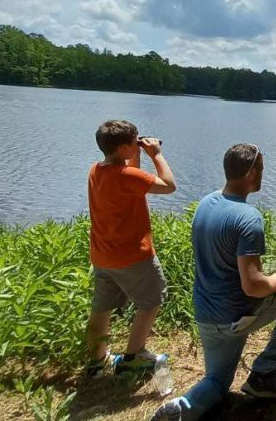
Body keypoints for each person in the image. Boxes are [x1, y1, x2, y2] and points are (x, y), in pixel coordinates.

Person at [151, 143, 276, 421]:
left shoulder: (206, 202)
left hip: (205, 315)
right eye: (260, 168)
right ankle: (264, 371)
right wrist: (273, 282)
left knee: (218, 382)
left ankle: (181, 408)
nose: (263, 173)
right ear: (250, 173)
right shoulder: (249, 219)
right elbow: (253, 286)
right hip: (234, 318)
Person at [84, 120, 177, 378]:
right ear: (124, 147)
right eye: (134, 141)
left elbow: (131, 180)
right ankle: (134, 357)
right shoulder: (127, 176)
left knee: (102, 307)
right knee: (152, 300)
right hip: (133, 257)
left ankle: (97, 360)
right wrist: (157, 155)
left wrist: (134, 153)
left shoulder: (96, 170)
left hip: (103, 255)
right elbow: (169, 185)